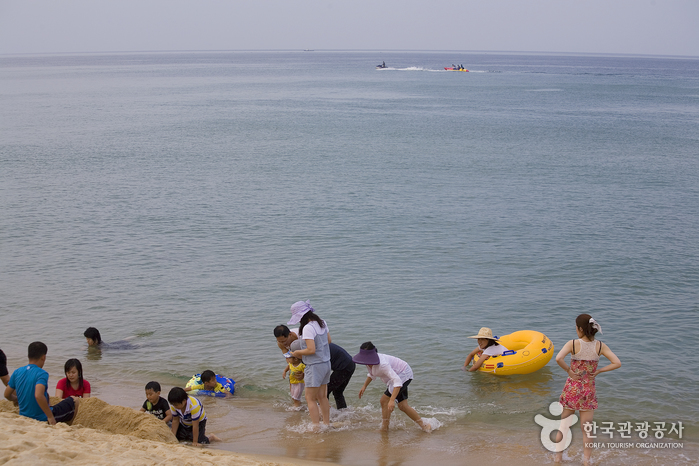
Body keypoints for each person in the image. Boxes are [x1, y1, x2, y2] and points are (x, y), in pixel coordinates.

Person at [554, 314, 621, 464]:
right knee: (587, 430)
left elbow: (558, 358)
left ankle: (558, 459)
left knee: (564, 426)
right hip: (588, 391)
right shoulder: (600, 346)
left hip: (572, 389)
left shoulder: (572, 344)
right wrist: (599, 371)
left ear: (580, 329)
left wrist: (569, 371)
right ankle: (586, 461)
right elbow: (617, 363)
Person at [353, 342, 431, 432]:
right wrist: (364, 386)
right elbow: (371, 374)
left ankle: (385, 428)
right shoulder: (368, 362)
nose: (365, 361)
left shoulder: (382, 364)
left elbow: (397, 381)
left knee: (384, 401)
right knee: (403, 406)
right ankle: (424, 425)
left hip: (403, 374)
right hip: (397, 376)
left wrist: (392, 400)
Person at [274, 324, 355, 410]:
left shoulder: (305, 339)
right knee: (337, 392)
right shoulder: (286, 344)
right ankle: (343, 414)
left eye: (284, 341)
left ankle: (323, 416)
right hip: (346, 363)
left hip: (344, 365)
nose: (283, 344)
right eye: (280, 342)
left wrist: (304, 373)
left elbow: (314, 363)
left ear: (290, 335)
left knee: (323, 393)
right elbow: (293, 360)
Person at [4, 342, 79, 425]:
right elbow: (38, 395)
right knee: (75, 400)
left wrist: (16, 399)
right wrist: (50, 417)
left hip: (24, 416)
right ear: (43, 357)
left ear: (29, 356)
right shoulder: (41, 373)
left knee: (46, 394)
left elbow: (7, 394)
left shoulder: (17, 372)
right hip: (41, 418)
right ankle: (67, 425)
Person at [288, 300, 331, 430]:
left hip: (314, 366)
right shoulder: (322, 322)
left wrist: (296, 352)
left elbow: (311, 350)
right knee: (322, 396)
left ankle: (316, 426)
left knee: (310, 398)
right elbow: (329, 340)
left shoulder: (307, 328)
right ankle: (326, 424)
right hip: (326, 363)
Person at [284, 340, 306, 408]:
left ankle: (296, 408)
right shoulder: (291, 364)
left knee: (296, 397)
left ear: (296, 359)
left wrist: (304, 378)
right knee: (293, 397)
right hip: (292, 382)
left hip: (299, 383)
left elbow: (306, 372)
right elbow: (288, 367)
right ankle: (300, 406)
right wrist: (284, 371)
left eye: (289, 358)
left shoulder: (301, 365)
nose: (287, 359)